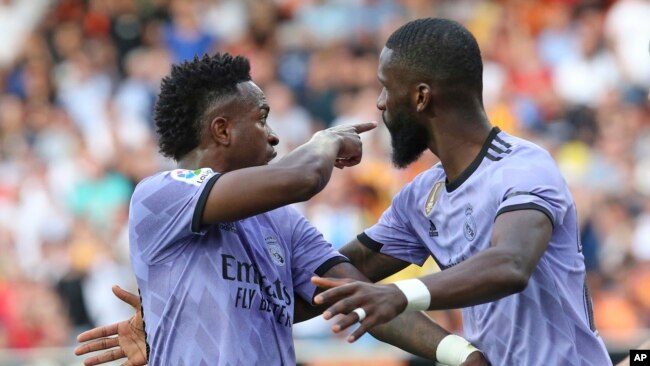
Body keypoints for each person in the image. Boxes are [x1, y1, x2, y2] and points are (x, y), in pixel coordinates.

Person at [75, 52, 488, 365]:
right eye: (262, 119)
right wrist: (324, 141)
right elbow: (303, 178)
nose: (274, 137)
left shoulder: (282, 222)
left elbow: (364, 300)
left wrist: (460, 353)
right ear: (222, 129)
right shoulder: (161, 194)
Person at [309, 18, 612, 366]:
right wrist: (458, 353)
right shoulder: (421, 197)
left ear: (421, 96)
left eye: (385, 87)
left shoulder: (523, 168)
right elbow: (337, 276)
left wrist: (399, 295)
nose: (380, 103)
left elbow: (511, 264)